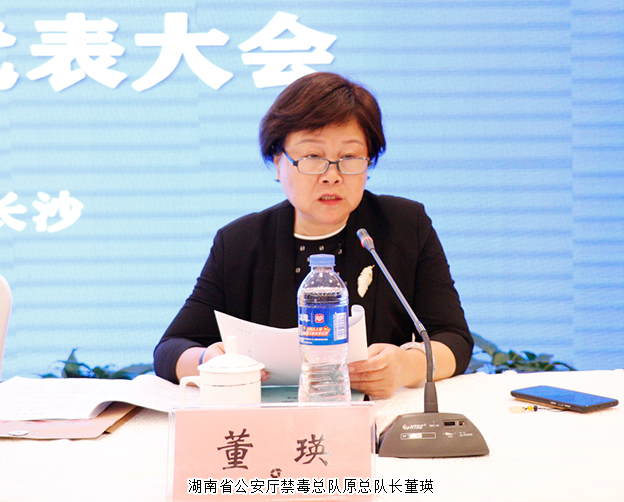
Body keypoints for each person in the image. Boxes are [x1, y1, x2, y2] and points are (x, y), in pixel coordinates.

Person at [154, 72, 472, 398]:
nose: (331, 175)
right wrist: (209, 361)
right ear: (278, 162)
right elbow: (170, 350)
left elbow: (455, 340)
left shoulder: (404, 226)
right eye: (312, 157)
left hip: (378, 416)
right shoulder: (240, 242)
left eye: (349, 158)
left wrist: (407, 366)